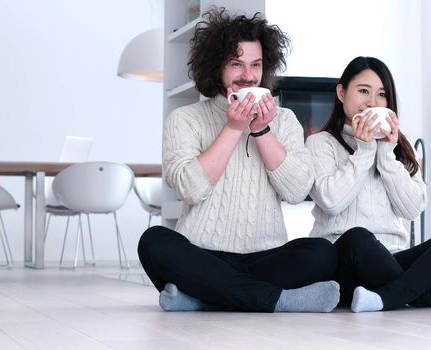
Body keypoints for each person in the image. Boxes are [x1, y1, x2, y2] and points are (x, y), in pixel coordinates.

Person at [137, 7, 339, 313]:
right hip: (200, 252)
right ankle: (275, 300)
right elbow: (191, 189)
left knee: (323, 253)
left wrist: (261, 130)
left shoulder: (283, 120)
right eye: (236, 64)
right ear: (216, 67)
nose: (248, 76)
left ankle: (203, 295)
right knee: (153, 242)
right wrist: (233, 128)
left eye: (255, 64)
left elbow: (297, 191)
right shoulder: (185, 119)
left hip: (265, 255)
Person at [306, 56, 431, 312]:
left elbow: (412, 209)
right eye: (363, 91)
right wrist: (364, 152)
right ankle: (428, 296)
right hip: (345, 262)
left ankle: (385, 297)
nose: (372, 103)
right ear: (342, 92)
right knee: (358, 237)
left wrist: (386, 154)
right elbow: (331, 202)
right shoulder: (320, 143)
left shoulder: (398, 148)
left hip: (392, 259)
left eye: (382, 94)